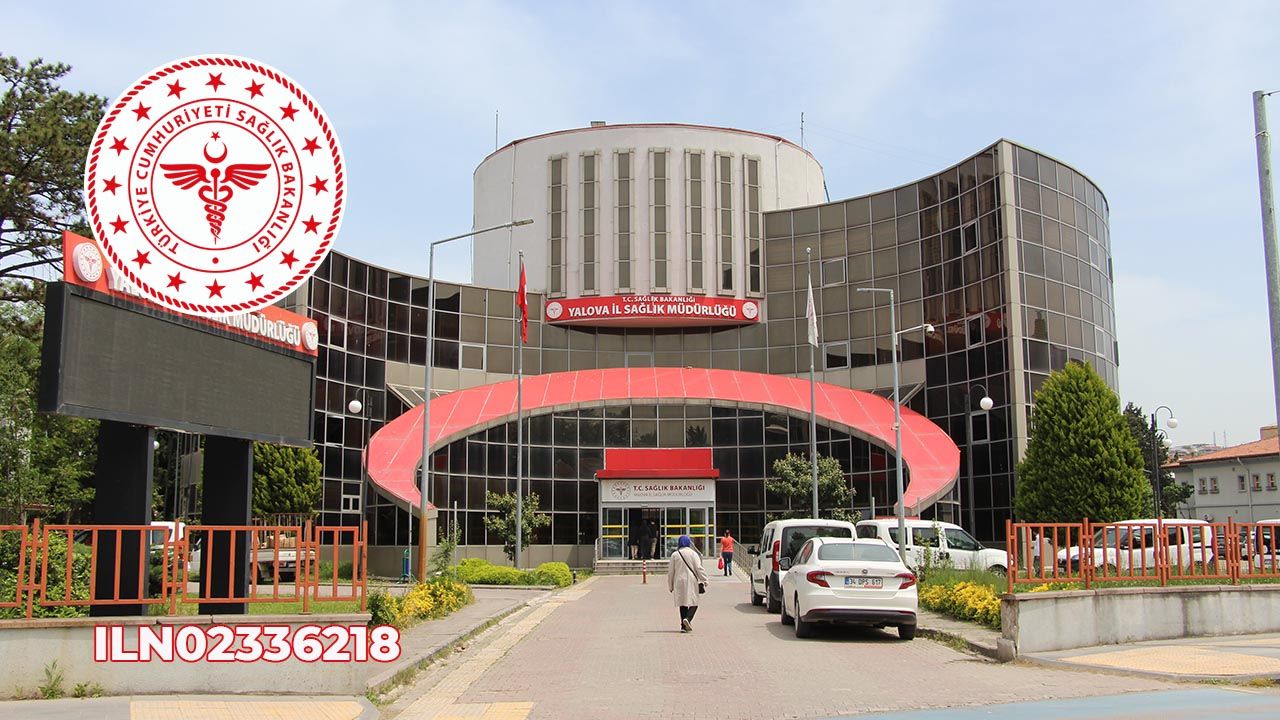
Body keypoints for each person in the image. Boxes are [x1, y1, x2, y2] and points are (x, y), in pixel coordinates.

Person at [667, 535, 709, 633]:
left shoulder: (675, 555)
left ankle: (683, 626)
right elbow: (699, 568)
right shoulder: (693, 554)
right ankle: (688, 619)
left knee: (682, 603)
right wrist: (705, 579)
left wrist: (670, 585)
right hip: (691, 580)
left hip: (679, 581)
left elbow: (671, 572)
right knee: (694, 602)